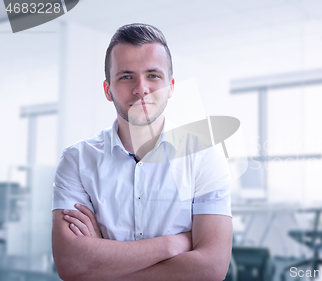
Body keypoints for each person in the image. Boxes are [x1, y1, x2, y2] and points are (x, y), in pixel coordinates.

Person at [51, 23, 232, 281]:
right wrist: (174, 244)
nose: (141, 88)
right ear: (107, 89)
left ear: (171, 87)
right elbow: (70, 265)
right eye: (126, 76)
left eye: (153, 76)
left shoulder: (204, 156)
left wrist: (102, 262)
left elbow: (211, 269)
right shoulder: (77, 160)